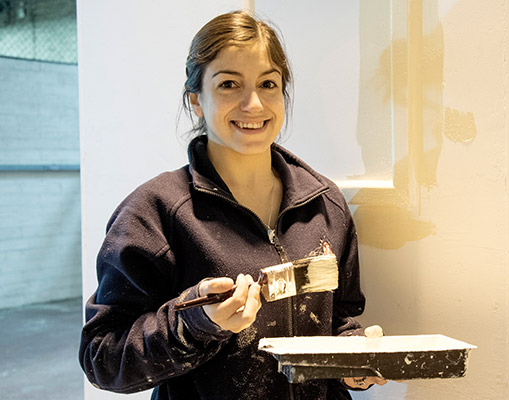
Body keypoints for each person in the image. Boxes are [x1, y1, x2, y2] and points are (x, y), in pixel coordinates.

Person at [79, 10, 387, 400]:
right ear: (196, 99)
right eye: (228, 84)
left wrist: (357, 358)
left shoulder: (325, 204)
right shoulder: (154, 212)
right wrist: (195, 322)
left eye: (268, 84)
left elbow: (337, 321)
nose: (254, 104)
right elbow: (102, 357)